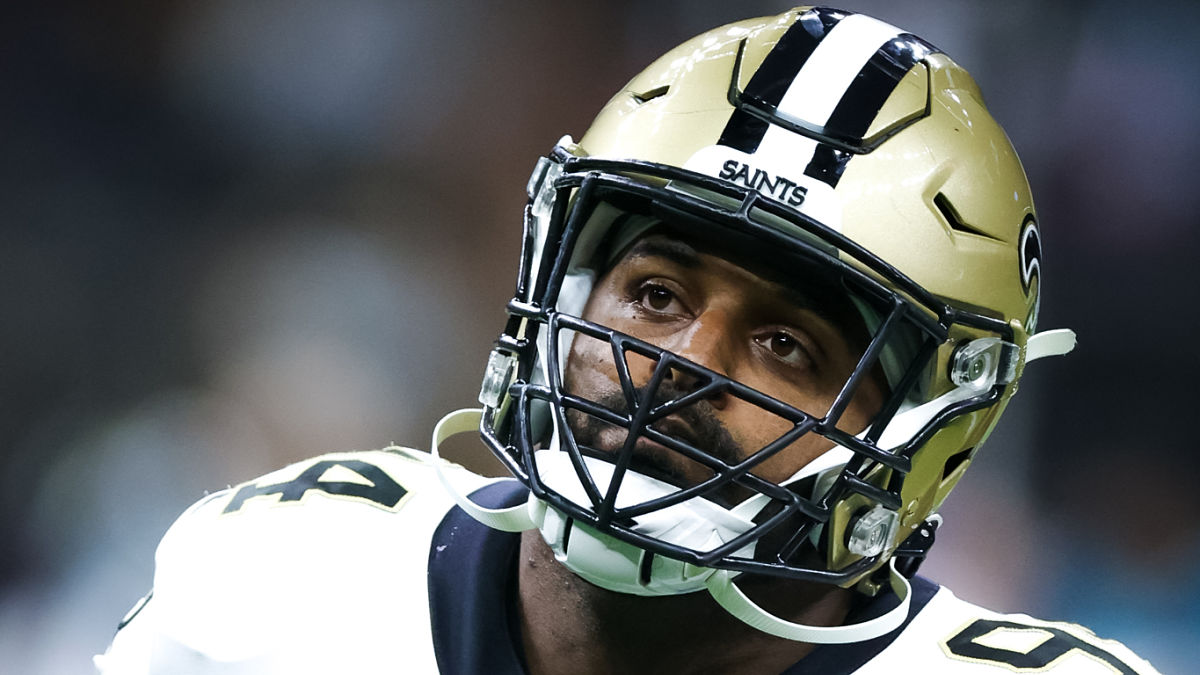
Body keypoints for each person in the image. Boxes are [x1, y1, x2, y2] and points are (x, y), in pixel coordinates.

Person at [96, 6, 1159, 674]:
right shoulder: (288, 578)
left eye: (788, 346)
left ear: (922, 433)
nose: (682, 360)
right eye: (654, 292)